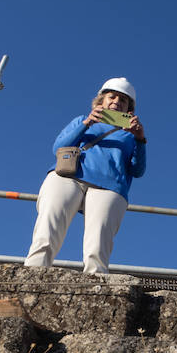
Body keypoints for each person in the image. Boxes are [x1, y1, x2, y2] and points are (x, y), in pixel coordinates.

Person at [24, 77, 147, 274]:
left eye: (122, 100)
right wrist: (87, 123)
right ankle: (32, 273)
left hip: (109, 187)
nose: (116, 101)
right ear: (101, 100)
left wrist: (140, 140)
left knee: (98, 244)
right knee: (48, 228)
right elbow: (58, 147)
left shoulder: (131, 134)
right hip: (68, 176)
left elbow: (138, 170)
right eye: (112, 97)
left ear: (128, 109)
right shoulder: (82, 120)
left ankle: (96, 284)